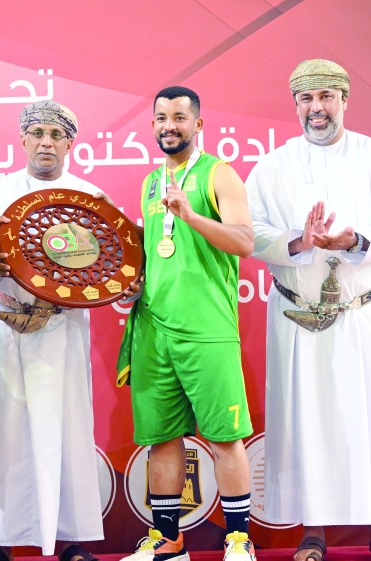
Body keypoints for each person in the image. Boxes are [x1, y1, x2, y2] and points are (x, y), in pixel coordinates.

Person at [246, 59, 371, 561]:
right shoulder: (272, 165)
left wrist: (354, 239)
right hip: (299, 320)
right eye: (305, 98)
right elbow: (251, 232)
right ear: (294, 104)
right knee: (307, 421)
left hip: (367, 312)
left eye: (325, 96)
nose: (315, 108)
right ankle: (313, 533)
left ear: (344, 99)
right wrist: (297, 241)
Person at [118, 86, 257, 561]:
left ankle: (239, 540)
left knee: (224, 437)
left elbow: (242, 241)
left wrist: (193, 215)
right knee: (162, 439)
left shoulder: (219, 173)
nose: (168, 126)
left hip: (206, 328)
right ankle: (167, 541)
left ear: (198, 124)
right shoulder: (150, 182)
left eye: (179, 117)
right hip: (154, 329)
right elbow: (158, 247)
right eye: (160, 118)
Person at [0, 100, 107, 561]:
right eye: (38, 133)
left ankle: (69, 540)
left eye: (56, 135)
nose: (46, 142)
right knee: (3, 432)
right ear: (23, 139)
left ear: (71, 142)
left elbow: (110, 271)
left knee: (67, 430)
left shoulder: (90, 197)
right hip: (9, 328)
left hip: (64, 331)